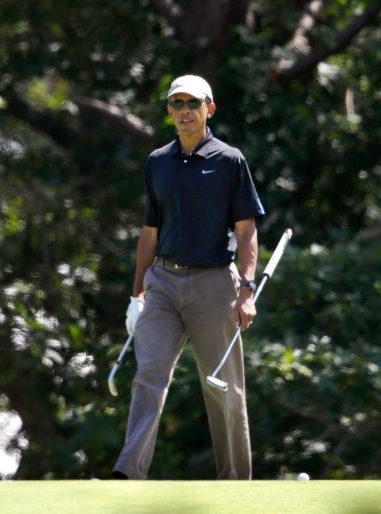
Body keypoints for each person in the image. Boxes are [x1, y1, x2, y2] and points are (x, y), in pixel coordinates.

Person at [112, 75, 265, 480]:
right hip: (163, 282)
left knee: (223, 388)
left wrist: (246, 290)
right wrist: (137, 294)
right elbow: (149, 233)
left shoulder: (230, 160)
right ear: (169, 112)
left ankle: (234, 482)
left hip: (214, 284)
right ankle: (128, 474)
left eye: (192, 103)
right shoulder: (157, 162)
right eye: (176, 103)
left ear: (208, 109)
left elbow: (247, 229)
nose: (184, 111)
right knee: (148, 375)